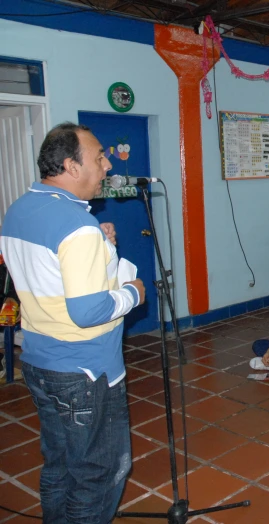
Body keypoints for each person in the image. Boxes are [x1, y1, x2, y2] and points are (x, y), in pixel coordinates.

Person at [0, 122, 145, 523]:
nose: (106, 165)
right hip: (86, 372)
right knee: (97, 473)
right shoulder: (77, 226)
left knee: (60, 464)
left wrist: (100, 245)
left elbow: (49, 275)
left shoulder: (20, 209)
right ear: (70, 165)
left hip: (40, 362)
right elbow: (87, 311)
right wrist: (134, 292)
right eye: (98, 157)